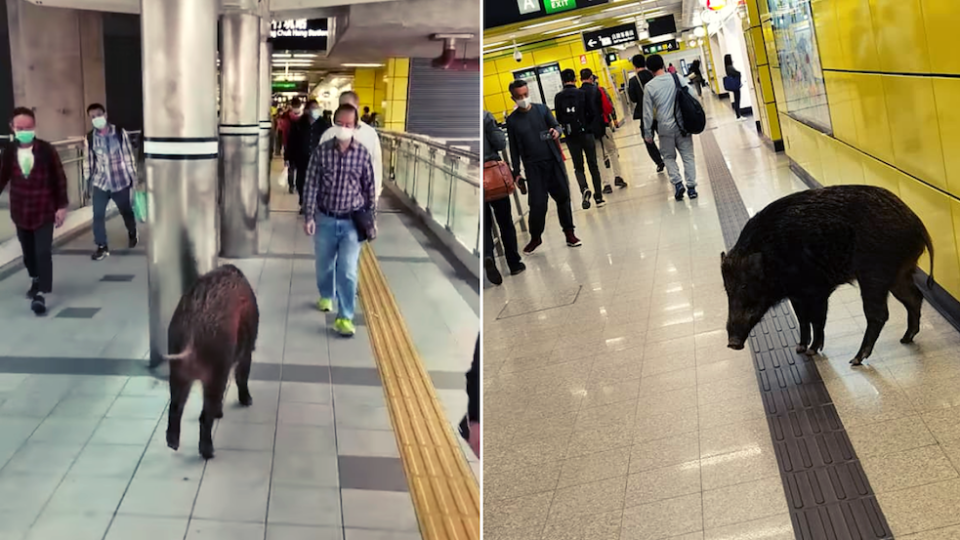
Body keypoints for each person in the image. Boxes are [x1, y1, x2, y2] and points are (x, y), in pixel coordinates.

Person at [302, 104, 376, 337]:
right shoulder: (321, 152)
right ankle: (326, 294)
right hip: (325, 218)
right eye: (340, 124)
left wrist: (371, 220)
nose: (344, 128)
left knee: (347, 271)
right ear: (334, 124)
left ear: (356, 126)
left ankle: (345, 317)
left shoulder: (363, 154)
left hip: (352, 222)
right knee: (324, 266)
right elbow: (311, 184)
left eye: (349, 124)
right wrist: (309, 216)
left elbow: (369, 189)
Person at [0, 107, 69, 315]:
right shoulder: (10, 151)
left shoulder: (46, 150)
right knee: (28, 253)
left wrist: (62, 206)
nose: (24, 130)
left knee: (42, 251)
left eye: (28, 127)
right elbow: (2, 177)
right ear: (12, 127)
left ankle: (42, 293)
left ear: (34, 126)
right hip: (21, 209)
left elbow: (59, 179)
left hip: (44, 209)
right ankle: (35, 278)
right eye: (20, 127)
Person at [505, 79, 580, 253]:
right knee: (538, 204)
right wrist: (516, 173)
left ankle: (569, 233)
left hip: (553, 162)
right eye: (519, 96)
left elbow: (556, 126)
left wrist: (556, 131)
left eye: (525, 94)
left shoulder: (542, 109)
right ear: (513, 98)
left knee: (563, 198)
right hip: (533, 168)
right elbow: (514, 149)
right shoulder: (513, 121)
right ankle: (536, 237)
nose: (523, 98)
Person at [82, 103, 139, 262]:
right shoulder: (90, 138)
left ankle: (132, 232)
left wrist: (133, 178)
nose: (96, 119)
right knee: (98, 215)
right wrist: (87, 180)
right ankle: (102, 246)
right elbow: (88, 160)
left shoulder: (120, 133)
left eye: (98, 115)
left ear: (105, 115)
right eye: (92, 117)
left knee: (125, 211)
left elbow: (128, 157)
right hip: (101, 182)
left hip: (120, 181)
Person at [642, 54, 699, 201]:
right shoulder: (677, 77)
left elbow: (647, 113)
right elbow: (692, 96)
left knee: (668, 157)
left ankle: (678, 184)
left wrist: (648, 133)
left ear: (649, 69)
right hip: (683, 126)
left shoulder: (649, 87)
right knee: (688, 156)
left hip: (664, 128)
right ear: (663, 64)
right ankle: (691, 188)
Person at [482, 110, 524, 285]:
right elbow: (499, 143)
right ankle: (513, 263)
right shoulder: (484, 115)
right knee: (505, 221)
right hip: (493, 175)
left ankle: (488, 256)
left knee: (483, 224)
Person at [554, 69, 604, 209]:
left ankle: (584, 189)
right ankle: (598, 196)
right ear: (575, 79)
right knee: (593, 164)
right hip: (586, 133)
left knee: (578, 166)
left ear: (562, 80)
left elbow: (558, 118)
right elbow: (592, 112)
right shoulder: (582, 93)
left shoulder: (558, 97)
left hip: (570, 136)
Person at [320, 91, 384, 201]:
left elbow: (376, 166)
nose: (345, 111)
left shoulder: (369, 134)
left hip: (360, 204)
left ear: (357, 108)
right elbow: (317, 169)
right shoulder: (329, 134)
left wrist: (374, 196)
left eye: (349, 107)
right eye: (342, 107)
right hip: (332, 202)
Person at [580, 69, 625, 195]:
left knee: (598, 157)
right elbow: (608, 108)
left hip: (589, 130)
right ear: (591, 78)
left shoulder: (579, 94)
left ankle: (606, 184)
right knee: (612, 151)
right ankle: (618, 177)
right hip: (603, 125)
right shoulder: (598, 90)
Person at [286, 99, 331, 213]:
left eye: (317, 107)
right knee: (301, 182)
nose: (315, 110)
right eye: (313, 108)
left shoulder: (324, 125)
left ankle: (315, 204)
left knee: (318, 182)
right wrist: (288, 157)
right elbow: (291, 141)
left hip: (319, 159)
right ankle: (304, 203)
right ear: (307, 110)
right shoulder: (298, 124)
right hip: (302, 159)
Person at [627, 54, 666, 174]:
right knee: (664, 136)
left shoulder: (633, 81)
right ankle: (668, 156)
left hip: (645, 114)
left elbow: (633, 99)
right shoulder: (653, 75)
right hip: (659, 111)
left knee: (648, 139)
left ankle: (659, 161)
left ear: (634, 65)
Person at [278, 98, 301, 192]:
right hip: (299, 146)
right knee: (299, 167)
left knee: (291, 166)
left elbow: (282, 131)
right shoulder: (303, 117)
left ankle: (291, 185)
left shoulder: (285, 117)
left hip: (288, 144)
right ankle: (297, 185)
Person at [725, 54, 743, 119]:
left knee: (736, 100)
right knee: (737, 100)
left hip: (734, 85)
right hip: (736, 85)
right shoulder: (730, 67)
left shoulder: (727, 67)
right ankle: (738, 115)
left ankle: (738, 115)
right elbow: (737, 73)